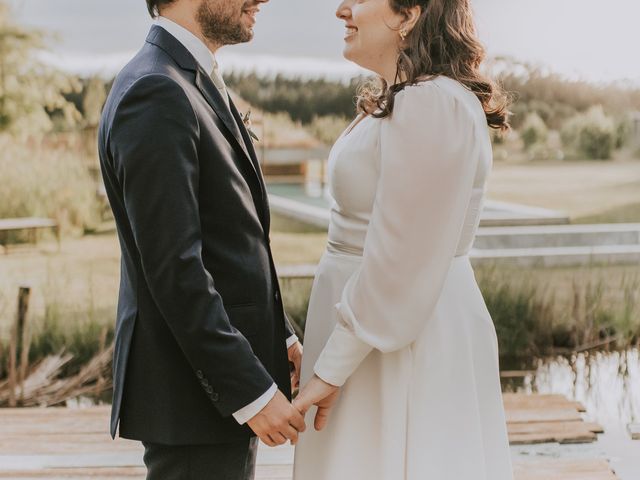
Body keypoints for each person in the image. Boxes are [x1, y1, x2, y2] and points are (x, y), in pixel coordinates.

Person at [292, 0, 514, 478]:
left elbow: (403, 259)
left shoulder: (433, 102)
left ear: (410, 13)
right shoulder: (408, 97)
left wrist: (332, 368)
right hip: (370, 336)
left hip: (399, 339)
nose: (341, 9)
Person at [97, 1, 305, 478]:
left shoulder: (186, 76)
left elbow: (228, 240)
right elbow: (175, 269)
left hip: (206, 406)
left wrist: (280, 334)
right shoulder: (155, 90)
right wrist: (249, 389)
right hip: (191, 403)